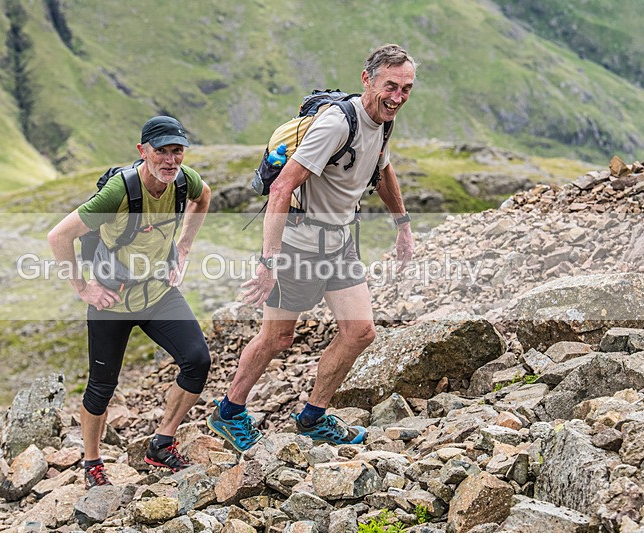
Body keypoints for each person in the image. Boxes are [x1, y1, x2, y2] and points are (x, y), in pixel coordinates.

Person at [208, 44, 417, 452]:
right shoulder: (337, 125)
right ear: (367, 80)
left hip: (339, 244)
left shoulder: (383, 122)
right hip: (299, 246)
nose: (397, 97)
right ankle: (229, 412)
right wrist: (268, 262)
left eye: (406, 89)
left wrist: (403, 224)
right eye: (390, 86)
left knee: (360, 332)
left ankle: (313, 417)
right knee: (278, 338)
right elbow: (282, 187)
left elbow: (382, 169)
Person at [48, 116, 212, 488]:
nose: (170, 160)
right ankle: (92, 463)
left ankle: (161, 442)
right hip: (112, 301)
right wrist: (83, 289)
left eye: (177, 151)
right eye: (161, 152)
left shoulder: (186, 180)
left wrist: (184, 248)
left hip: (158, 293)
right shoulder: (119, 192)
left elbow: (204, 199)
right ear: (143, 152)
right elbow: (59, 236)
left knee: (198, 360)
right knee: (102, 386)